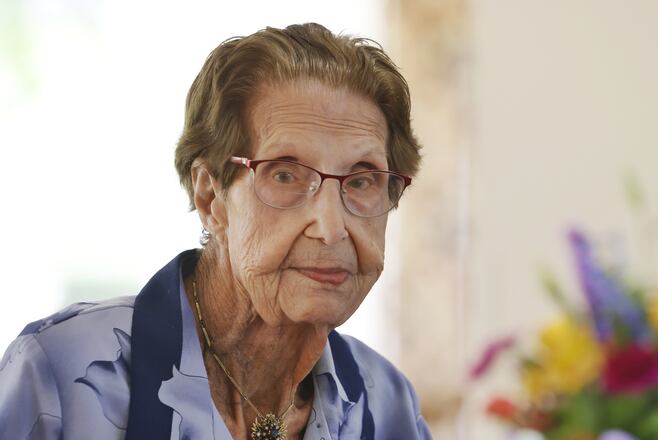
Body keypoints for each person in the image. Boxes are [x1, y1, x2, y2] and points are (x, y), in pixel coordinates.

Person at [0, 23, 430, 440]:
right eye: (285, 176)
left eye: (361, 180)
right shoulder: (59, 374)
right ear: (211, 198)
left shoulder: (386, 404)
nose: (332, 228)